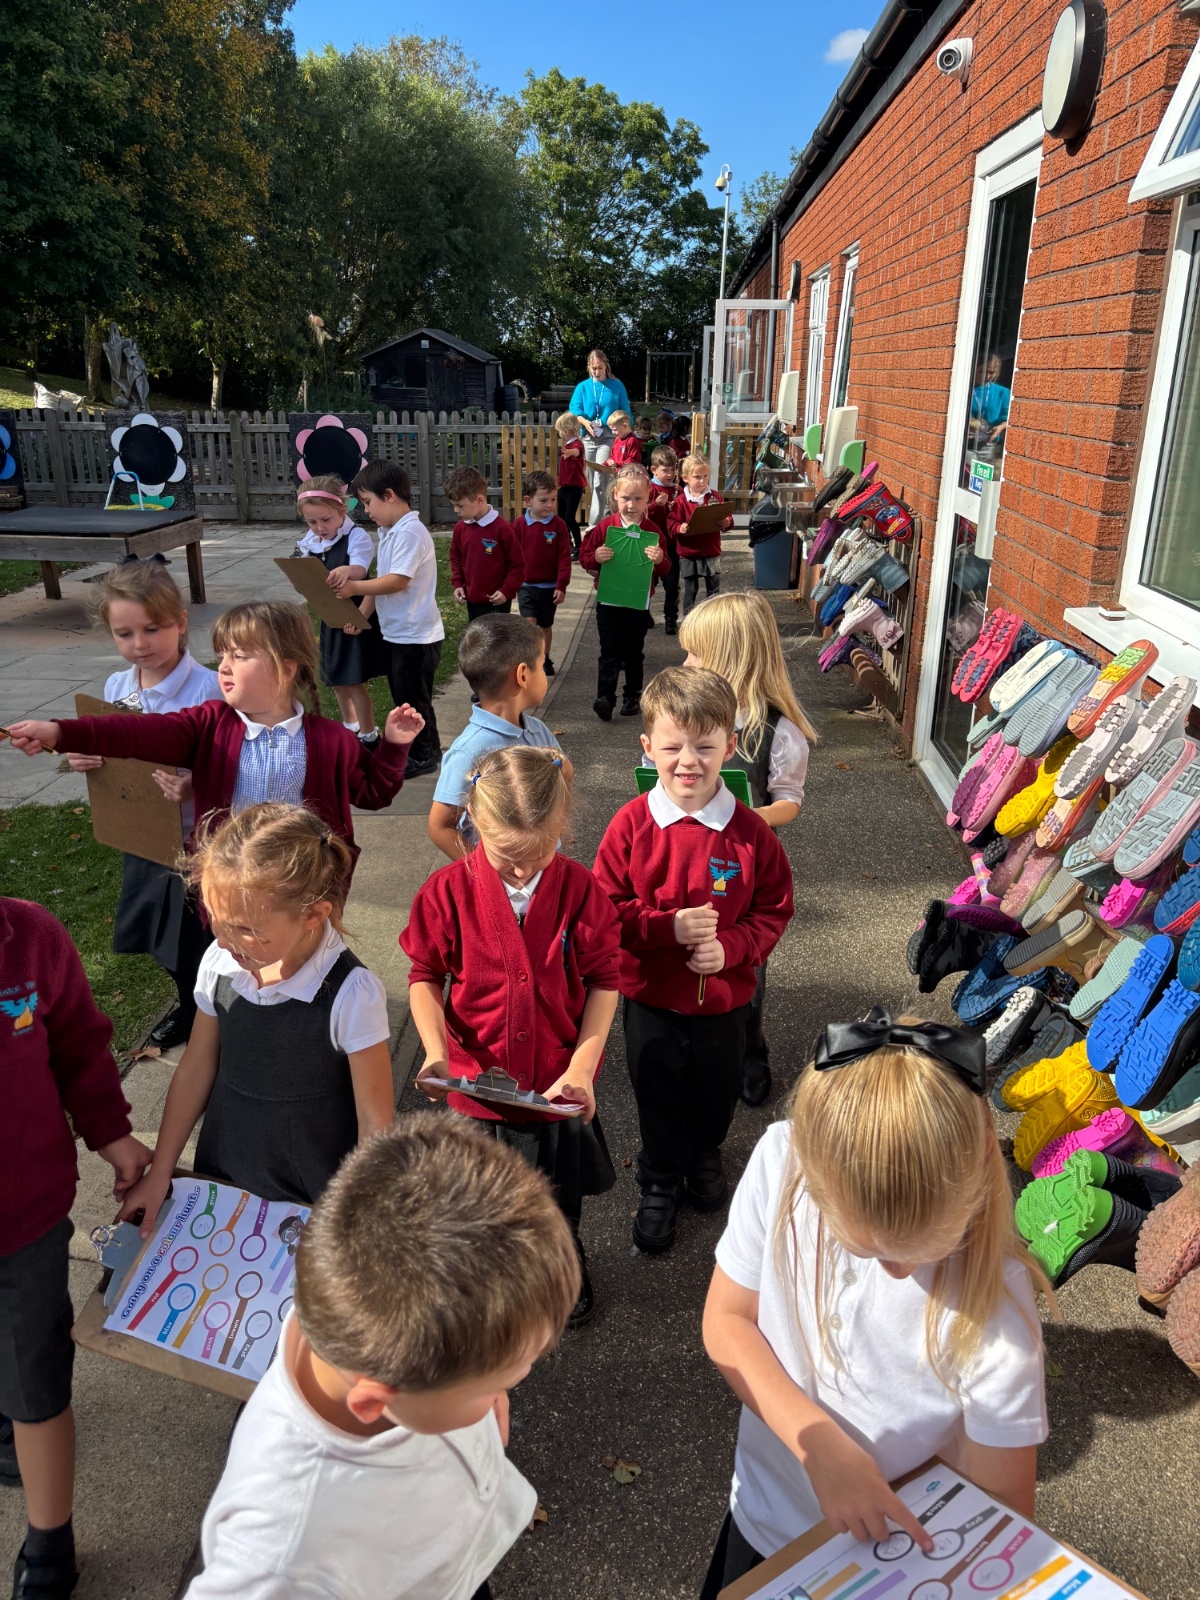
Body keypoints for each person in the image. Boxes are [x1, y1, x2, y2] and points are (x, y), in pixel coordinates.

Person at [698, 1012, 1051, 1597]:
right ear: (812, 1169)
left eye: (921, 1250)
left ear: (982, 1163)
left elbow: (998, 1528)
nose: (895, 1270)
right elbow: (727, 1318)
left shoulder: (998, 1322)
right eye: (864, 1248)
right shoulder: (781, 1161)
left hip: (891, 1568)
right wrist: (816, 1442)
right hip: (762, 1515)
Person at [183, 1117, 580, 1600]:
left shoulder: (358, 1316)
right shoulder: (284, 1554)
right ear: (374, 1401)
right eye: (498, 1382)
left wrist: (479, 1386)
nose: (515, 1382)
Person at [404, 747, 620, 1327]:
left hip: (555, 1088)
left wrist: (582, 1069)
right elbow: (424, 975)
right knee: (480, 1206)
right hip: (477, 1091)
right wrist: (434, 1052)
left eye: (538, 854)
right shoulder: (446, 893)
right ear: (473, 819)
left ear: (562, 824)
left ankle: (559, 1267)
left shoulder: (582, 890)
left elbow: (605, 981)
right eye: (507, 858)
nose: (522, 872)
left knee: (558, 1202)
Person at [592, 668, 794, 1255]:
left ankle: (705, 1151)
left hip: (725, 1002)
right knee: (655, 1090)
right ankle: (659, 1177)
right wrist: (666, 928)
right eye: (673, 746)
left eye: (705, 747)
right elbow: (604, 909)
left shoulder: (751, 833)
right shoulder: (630, 826)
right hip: (651, 997)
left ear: (729, 747)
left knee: (716, 1089)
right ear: (647, 746)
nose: (688, 761)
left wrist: (732, 948)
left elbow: (774, 909)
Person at [117, 803, 395, 1229]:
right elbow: (195, 1068)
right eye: (216, 919)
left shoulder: (352, 995)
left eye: (246, 930)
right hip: (225, 1169)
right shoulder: (221, 962)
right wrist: (160, 1173)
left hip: (316, 1195)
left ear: (313, 915)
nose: (226, 940)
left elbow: (375, 1123)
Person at [8, 601, 422, 870]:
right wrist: (61, 732)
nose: (223, 666)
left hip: (305, 889)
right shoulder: (208, 725)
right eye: (222, 654)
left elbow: (374, 793)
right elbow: (134, 731)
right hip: (227, 885)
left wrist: (394, 747)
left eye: (238, 656)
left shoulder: (331, 740)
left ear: (286, 668)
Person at [1, 897, 151, 1600]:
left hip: (22, 1223)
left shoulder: (30, 939)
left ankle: (49, 1541)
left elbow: (80, 1048)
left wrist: (111, 1133)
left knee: (35, 1384)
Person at [63, 559, 220, 1050]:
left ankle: (212, 1018)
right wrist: (85, 756)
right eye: (124, 633)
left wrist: (195, 783)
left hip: (200, 842)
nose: (140, 644)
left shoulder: (210, 689)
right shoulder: (118, 688)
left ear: (180, 623)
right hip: (145, 837)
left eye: (152, 629)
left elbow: (234, 762)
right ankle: (190, 1007)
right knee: (160, 938)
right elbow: (110, 753)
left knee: (202, 940)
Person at [678, 592, 817, 1106]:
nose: (686, 663)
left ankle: (747, 1051)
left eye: (696, 653)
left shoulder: (776, 731)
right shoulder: (687, 720)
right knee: (686, 949)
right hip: (685, 861)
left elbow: (789, 802)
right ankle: (688, 1039)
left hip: (742, 870)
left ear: (730, 656)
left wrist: (747, 818)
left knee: (743, 961)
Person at [427, 615, 570, 861]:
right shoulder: (469, 750)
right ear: (523, 675)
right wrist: (486, 872)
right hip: (508, 873)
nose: (544, 673)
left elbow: (565, 774)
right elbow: (439, 827)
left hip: (546, 864)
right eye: (541, 664)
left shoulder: (537, 729)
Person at [333, 461, 444, 781]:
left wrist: (354, 588)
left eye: (368, 502)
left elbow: (396, 581)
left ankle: (422, 756)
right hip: (400, 634)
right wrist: (361, 616)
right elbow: (381, 580)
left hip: (416, 636)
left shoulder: (410, 532)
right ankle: (430, 748)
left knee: (412, 700)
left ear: (390, 495)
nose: (366, 510)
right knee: (410, 696)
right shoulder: (390, 532)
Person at [291, 474, 380, 744]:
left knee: (353, 682)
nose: (319, 527)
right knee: (337, 680)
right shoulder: (311, 541)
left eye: (325, 520)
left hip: (354, 617)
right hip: (330, 617)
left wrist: (346, 571)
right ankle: (350, 728)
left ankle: (369, 734)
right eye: (312, 522)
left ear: (342, 510)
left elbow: (360, 568)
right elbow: (307, 578)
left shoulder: (356, 536)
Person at [580, 465, 668, 722]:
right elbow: (585, 557)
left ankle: (632, 696)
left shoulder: (652, 531)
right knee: (609, 650)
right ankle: (605, 697)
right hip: (608, 601)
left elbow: (665, 567)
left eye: (638, 498)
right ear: (615, 495)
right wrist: (596, 557)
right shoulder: (605, 527)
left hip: (637, 602)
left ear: (648, 497)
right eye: (626, 498)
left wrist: (659, 558)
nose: (631, 504)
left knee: (633, 651)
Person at [446, 466, 524, 621]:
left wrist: (506, 590)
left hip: (497, 602)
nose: (455, 510)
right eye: (453, 505)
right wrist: (458, 584)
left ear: (479, 500)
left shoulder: (503, 529)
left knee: (495, 637)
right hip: (472, 601)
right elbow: (456, 558)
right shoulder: (460, 528)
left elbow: (517, 566)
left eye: (460, 505)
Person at [514, 469, 572, 676]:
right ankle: (531, 661)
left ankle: (545, 657)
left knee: (545, 626)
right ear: (528, 501)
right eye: (543, 500)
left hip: (549, 587)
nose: (549, 505)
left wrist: (561, 584)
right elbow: (512, 556)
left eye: (553, 499)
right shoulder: (519, 525)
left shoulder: (559, 526)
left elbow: (564, 557)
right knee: (529, 625)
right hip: (526, 585)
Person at [568, 349, 632, 522]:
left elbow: (625, 411)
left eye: (600, 368)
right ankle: (607, 516)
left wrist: (627, 431)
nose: (597, 372)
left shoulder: (616, 386)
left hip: (609, 436)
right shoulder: (583, 387)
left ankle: (594, 525)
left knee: (600, 479)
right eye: (593, 368)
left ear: (606, 366)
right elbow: (575, 409)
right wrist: (584, 422)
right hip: (588, 436)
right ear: (589, 367)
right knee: (593, 481)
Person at [669, 454, 733, 616]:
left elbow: (727, 515)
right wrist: (679, 528)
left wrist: (727, 521)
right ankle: (688, 621)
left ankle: (712, 621)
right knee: (691, 590)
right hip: (689, 553)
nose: (702, 481)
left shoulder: (714, 496)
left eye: (705, 476)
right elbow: (671, 523)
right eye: (697, 477)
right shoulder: (681, 501)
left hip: (711, 550)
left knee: (714, 590)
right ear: (686, 478)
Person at [646, 446, 681, 635]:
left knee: (672, 584)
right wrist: (655, 505)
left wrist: (678, 508)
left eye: (673, 469)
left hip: (671, 545)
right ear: (654, 470)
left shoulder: (678, 490)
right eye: (665, 470)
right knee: (646, 583)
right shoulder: (649, 488)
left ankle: (671, 619)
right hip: (650, 544)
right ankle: (644, 614)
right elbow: (641, 514)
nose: (670, 474)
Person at [554, 413, 588, 556]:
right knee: (561, 518)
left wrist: (571, 452)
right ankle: (567, 544)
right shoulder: (567, 445)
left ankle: (579, 546)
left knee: (569, 518)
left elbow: (577, 452)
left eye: (560, 431)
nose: (560, 433)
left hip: (574, 488)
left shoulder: (576, 444)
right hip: (564, 487)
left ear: (567, 430)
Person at [969, 352, 1012, 455]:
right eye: (982, 371)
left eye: (991, 373)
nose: (987, 376)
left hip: (989, 445)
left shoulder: (1003, 392)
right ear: (975, 368)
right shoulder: (965, 388)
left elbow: (1008, 419)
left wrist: (1000, 427)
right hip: (965, 442)